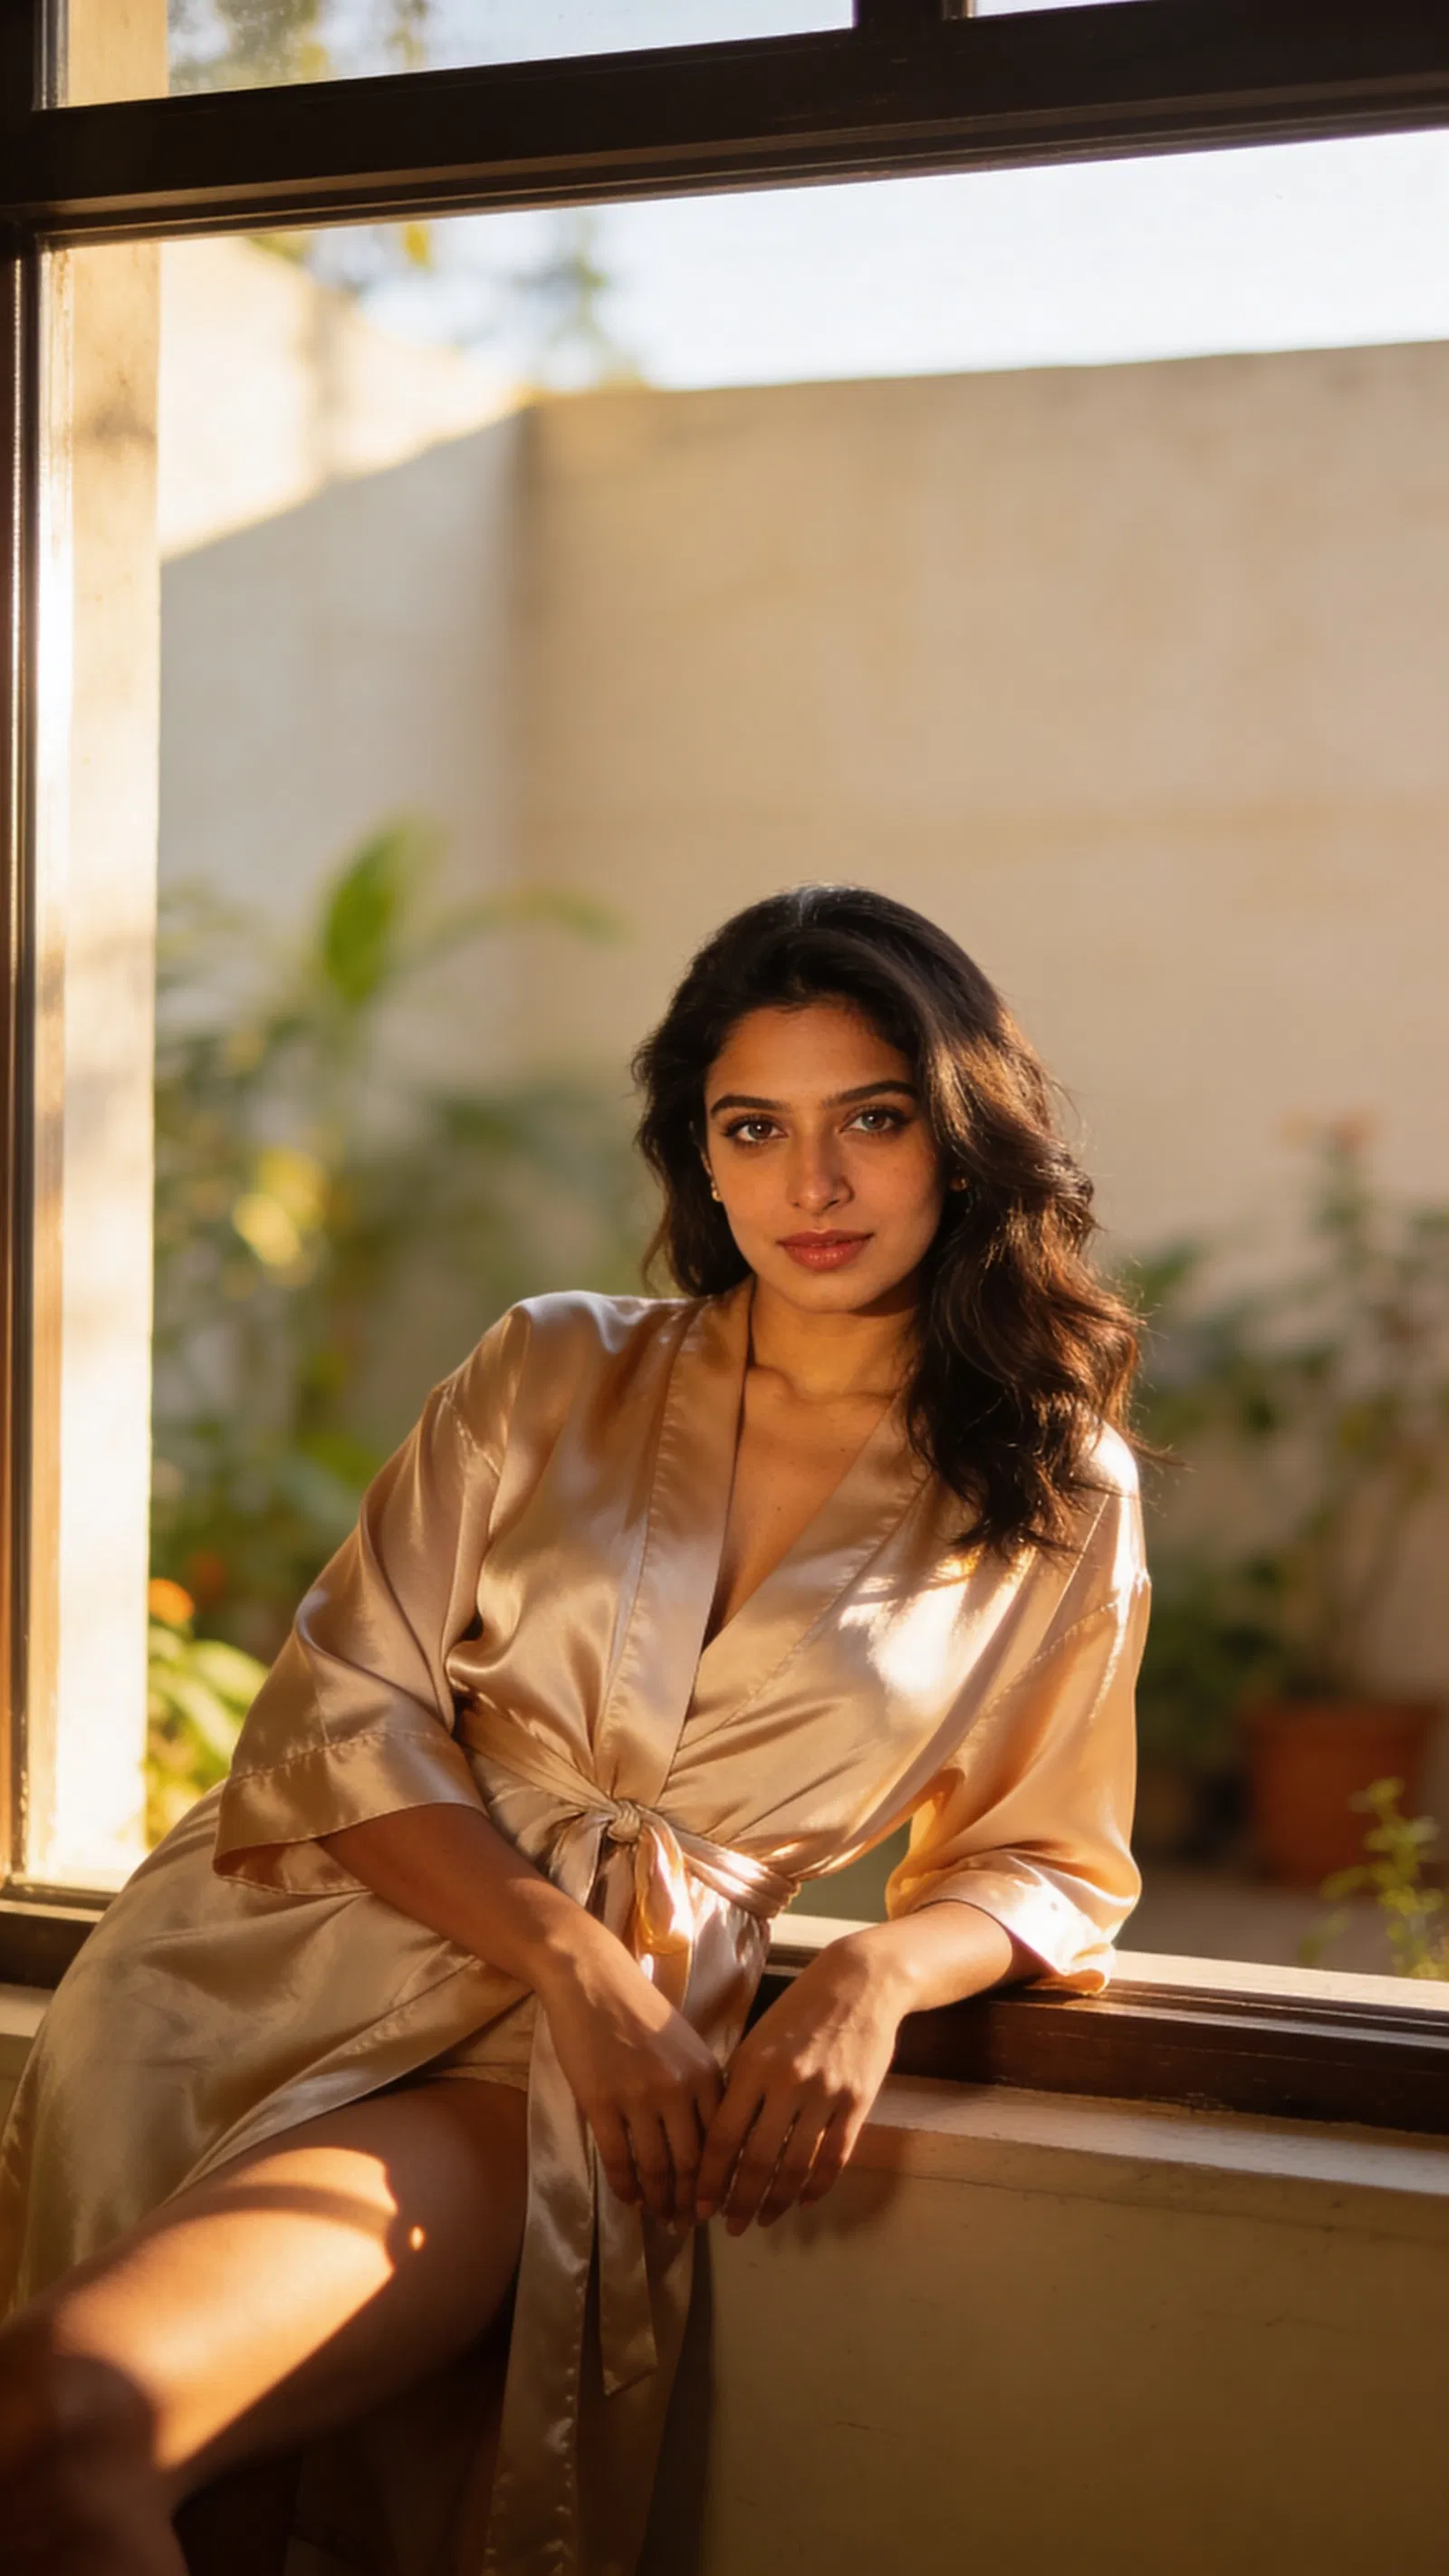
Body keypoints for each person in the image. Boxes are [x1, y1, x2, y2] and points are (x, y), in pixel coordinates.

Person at [0, 882, 1150, 2576]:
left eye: (872, 1122)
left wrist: (868, 1973)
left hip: (525, 2082)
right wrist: (581, 1969)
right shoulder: (550, 1368)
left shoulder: (1053, 1491)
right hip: (256, 1971)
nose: (810, 1186)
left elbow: (1047, 1855)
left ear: (963, 1138)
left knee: (59, 2420)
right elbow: (340, 1711)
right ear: (700, 1153)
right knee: (173, 2500)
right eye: (752, 1127)